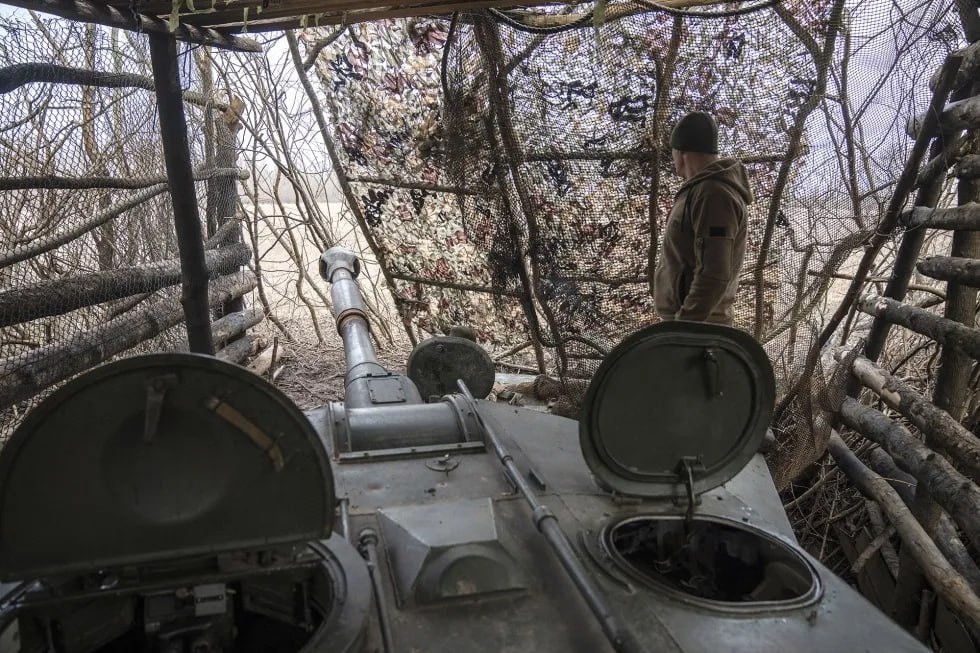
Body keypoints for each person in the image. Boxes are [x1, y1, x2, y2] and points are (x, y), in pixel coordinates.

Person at [653, 111, 754, 326]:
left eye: (672, 152)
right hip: (693, 324)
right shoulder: (702, 190)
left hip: (700, 328)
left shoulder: (713, 194)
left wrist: (684, 326)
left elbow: (714, 273)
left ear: (681, 152)